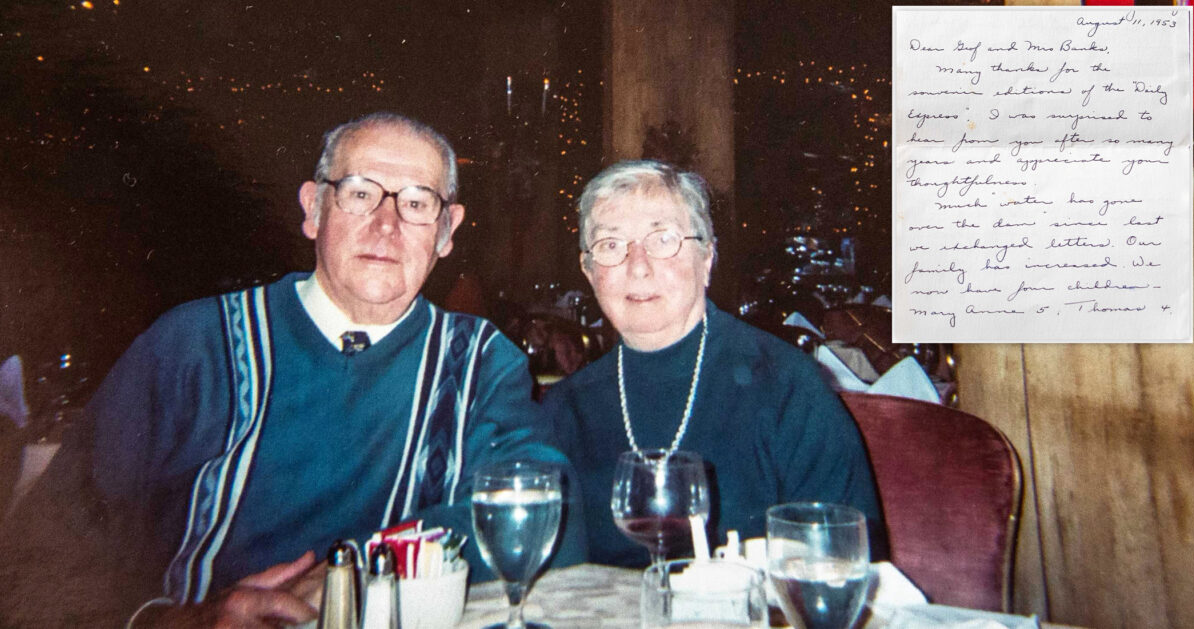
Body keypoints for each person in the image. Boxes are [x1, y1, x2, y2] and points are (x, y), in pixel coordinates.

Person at [0, 112, 583, 628]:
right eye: (359, 194)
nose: (387, 226)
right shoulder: (194, 346)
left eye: (415, 202)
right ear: (313, 209)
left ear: (447, 232)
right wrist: (171, 621)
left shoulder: (480, 360)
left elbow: (545, 510)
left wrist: (355, 569)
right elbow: (43, 554)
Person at [540, 160, 883, 568]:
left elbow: (848, 560)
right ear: (589, 271)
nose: (638, 265)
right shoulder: (564, 410)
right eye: (611, 245)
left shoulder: (787, 386)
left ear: (706, 259)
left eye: (662, 239)